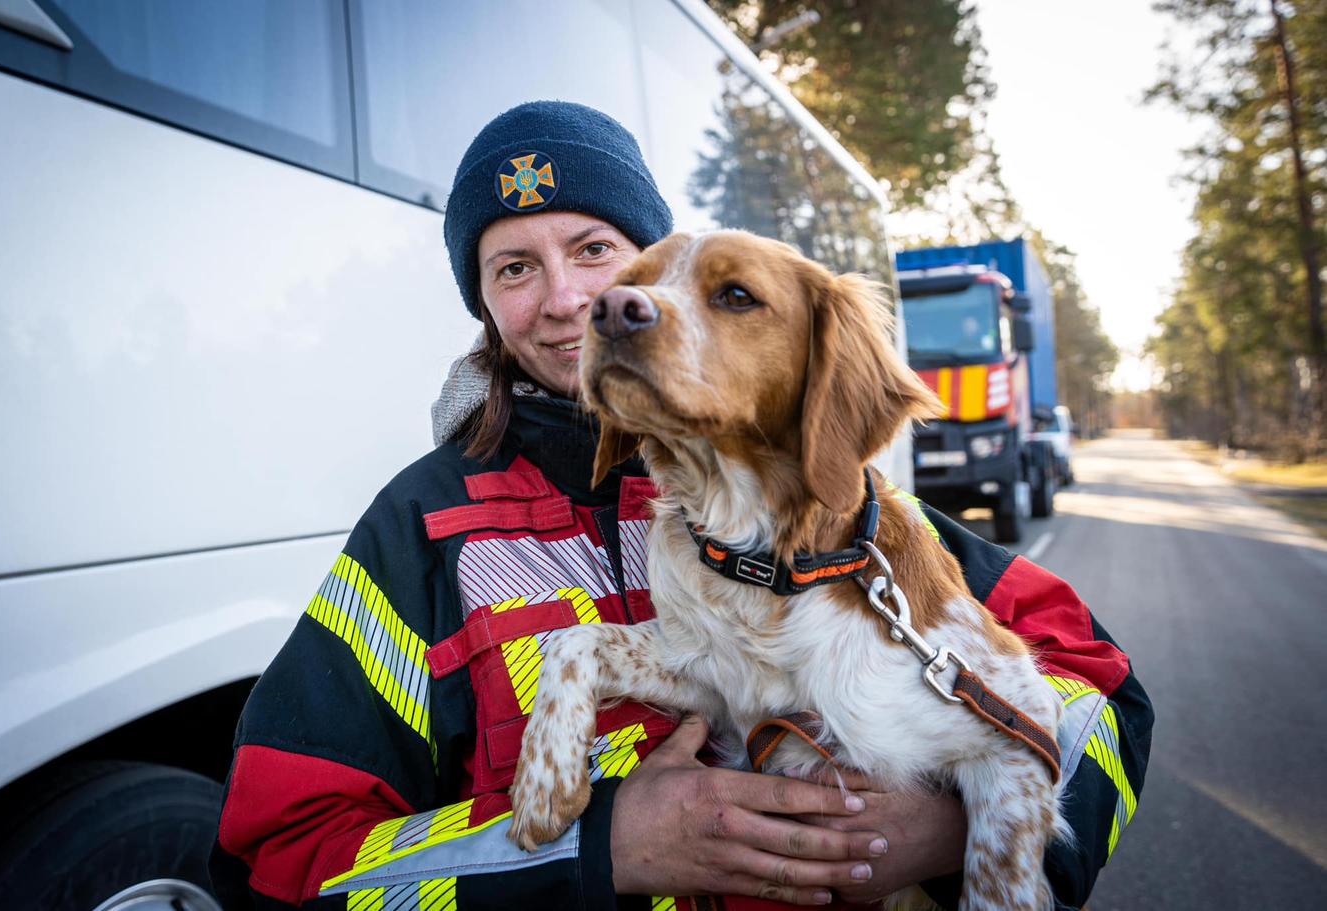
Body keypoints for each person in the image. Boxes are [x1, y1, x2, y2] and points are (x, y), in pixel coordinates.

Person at [211, 101, 1152, 910]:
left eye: (596, 253)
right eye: (512, 267)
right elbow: (287, 862)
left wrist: (946, 832)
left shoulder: (838, 513)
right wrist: (599, 851)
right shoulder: (420, 527)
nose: (573, 300)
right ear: (486, 307)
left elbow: (1103, 698)